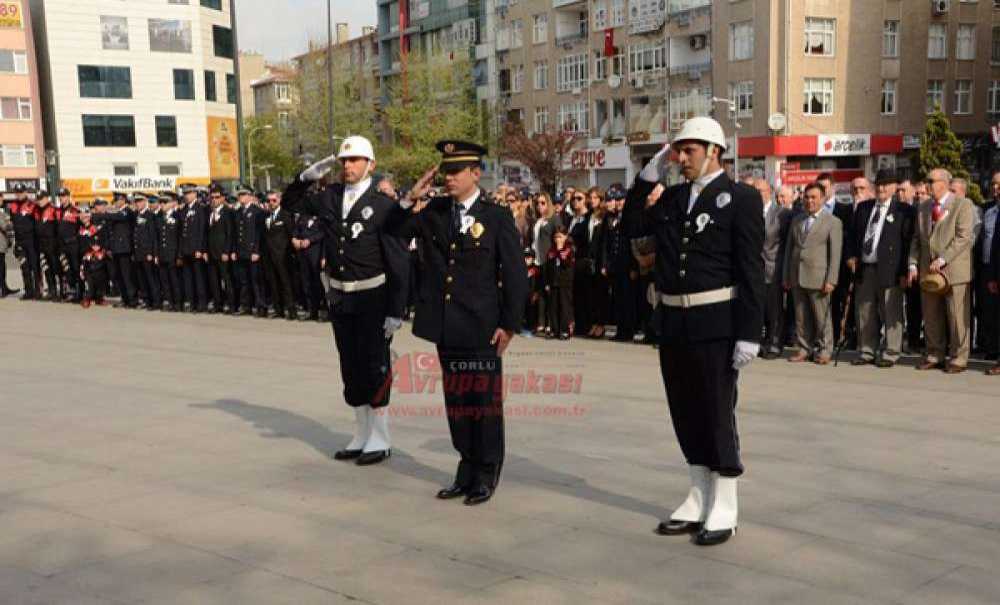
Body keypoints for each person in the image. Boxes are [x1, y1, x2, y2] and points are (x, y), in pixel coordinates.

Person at [623, 116, 764, 546]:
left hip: (716, 323)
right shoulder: (673, 197)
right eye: (678, 151)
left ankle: (725, 503)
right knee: (684, 411)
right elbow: (631, 229)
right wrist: (648, 176)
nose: (682, 159)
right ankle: (697, 494)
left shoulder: (739, 199)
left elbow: (752, 269)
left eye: (690, 151)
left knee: (716, 412)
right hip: (674, 321)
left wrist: (750, 332)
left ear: (714, 152)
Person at [386, 139, 528, 505]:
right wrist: (407, 198)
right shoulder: (434, 211)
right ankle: (465, 466)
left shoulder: (495, 217)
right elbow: (393, 231)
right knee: (457, 401)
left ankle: (486, 470)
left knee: (483, 401)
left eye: (455, 171)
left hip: (482, 326)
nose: (448, 178)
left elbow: (514, 273)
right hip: (446, 325)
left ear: (475, 173)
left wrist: (510, 324)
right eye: (445, 171)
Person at [283, 136, 410, 466]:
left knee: (375, 365)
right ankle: (361, 433)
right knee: (350, 366)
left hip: (373, 296)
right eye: (344, 161)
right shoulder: (329, 196)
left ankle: (380, 438)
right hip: (340, 295)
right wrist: (306, 176)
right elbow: (289, 203)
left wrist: (396, 310)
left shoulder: (383, 205)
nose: (348, 166)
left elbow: (398, 260)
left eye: (355, 160)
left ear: (371, 164)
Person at [908, 169, 976, 373]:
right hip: (928, 272)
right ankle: (934, 354)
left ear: (944, 183)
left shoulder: (963, 205)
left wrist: (943, 258)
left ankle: (958, 357)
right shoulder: (923, 207)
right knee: (931, 315)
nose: (927, 184)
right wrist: (912, 263)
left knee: (956, 317)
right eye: (927, 180)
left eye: (931, 180)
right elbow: (916, 239)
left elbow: (963, 237)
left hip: (954, 271)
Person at [845, 170, 913, 368]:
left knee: (891, 312)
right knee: (865, 310)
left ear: (894, 187)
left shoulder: (903, 210)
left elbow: (907, 243)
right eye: (879, 184)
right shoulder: (864, 207)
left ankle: (891, 352)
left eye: (886, 184)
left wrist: (903, 272)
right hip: (865, 267)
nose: (882, 188)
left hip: (890, 270)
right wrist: (850, 256)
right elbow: (853, 235)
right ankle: (866, 350)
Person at [784, 182, 843, 365]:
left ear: (823, 199)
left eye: (814, 197)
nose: (810, 201)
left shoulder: (832, 222)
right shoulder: (797, 220)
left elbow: (835, 254)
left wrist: (831, 279)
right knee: (801, 317)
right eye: (807, 197)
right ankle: (804, 348)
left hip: (819, 278)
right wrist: (786, 275)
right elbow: (789, 249)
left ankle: (825, 349)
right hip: (797, 275)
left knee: (821, 318)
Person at [818, 173, 856, 348]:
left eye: (825, 187)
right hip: (818, 265)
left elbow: (848, 237)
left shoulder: (845, 209)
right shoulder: (811, 209)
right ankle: (823, 339)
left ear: (832, 187)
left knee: (839, 303)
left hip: (839, 265)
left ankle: (840, 336)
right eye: (820, 187)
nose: (822, 190)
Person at [757, 179, 792, 359]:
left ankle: (775, 343)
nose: (758, 194)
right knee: (759, 309)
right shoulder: (749, 212)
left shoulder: (782, 214)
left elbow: (788, 244)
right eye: (755, 190)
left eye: (761, 191)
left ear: (769, 192)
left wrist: (786, 271)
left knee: (775, 310)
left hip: (774, 268)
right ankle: (761, 342)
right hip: (755, 270)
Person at [262, 190, 297, 320]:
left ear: (279, 200)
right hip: (269, 256)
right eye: (269, 201)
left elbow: (291, 235)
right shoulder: (266, 216)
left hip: (283, 256)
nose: (271, 203)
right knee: (274, 283)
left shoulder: (285, 216)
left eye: (274, 200)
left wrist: (290, 254)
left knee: (286, 284)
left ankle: (291, 310)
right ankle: (278, 310)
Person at [898, 179, 923, 353]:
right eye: (898, 190)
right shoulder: (897, 211)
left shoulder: (917, 212)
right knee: (910, 306)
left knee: (918, 305)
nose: (900, 193)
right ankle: (911, 340)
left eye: (904, 190)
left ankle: (919, 339)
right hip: (903, 266)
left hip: (922, 265)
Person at [232, 187, 266, 316]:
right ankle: (246, 305)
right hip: (242, 251)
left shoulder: (257, 212)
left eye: (243, 195)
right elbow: (236, 233)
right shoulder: (239, 211)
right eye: (239, 195)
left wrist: (256, 251)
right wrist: (235, 250)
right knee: (244, 281)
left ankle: (260, 306)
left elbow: (259, 233)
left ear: (250, 196)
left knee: (256, 281)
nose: (240, 197)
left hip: (253, 252)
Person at [979, 171, 1000, 372]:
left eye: (999, 184)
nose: (995, 188)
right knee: (991, 314)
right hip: (990, 269)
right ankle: (992, 349)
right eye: (993, 184)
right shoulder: (988, 211)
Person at [178, 184, 209, 312]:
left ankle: (202, 303)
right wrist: (180, 253)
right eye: (185, 194)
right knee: (188, 279)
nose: (187, 196)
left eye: (189, 193)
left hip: (195, 250)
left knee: (198, 278)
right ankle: (192, 303)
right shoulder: (183, 209)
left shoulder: (200, 209)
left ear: (195, 194)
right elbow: (181, 233)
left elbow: (202, 230)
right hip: (185, 249)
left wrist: (200, 249)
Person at [206, 185, 236, 314]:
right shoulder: (209, 212)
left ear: (223, 198)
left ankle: (232, 305)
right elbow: (206, 234)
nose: (214, 200)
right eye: (211, 197)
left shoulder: (228, 212)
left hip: (223, 252)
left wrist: (226, 251)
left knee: (227, 280)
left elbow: (230, 233)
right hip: (211, 252)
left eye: (217, 197)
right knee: (214, 281)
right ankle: (218, 304)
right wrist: (206, 251)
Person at [544, 225, 575, 339]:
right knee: (553, 306)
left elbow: (567, 264)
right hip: (553, 282)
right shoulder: (551, 250)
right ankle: (554, 329)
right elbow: (548, 268)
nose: (558, 239)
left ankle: (565, 330)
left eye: (560, 237)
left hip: (564, 282)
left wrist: (561, 249)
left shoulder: (569, 249)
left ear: (566, 237)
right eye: (556, 237)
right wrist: (547, 282)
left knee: (564, 306)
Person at [132, 193, 161, 311]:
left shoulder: (149, 215)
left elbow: (152, 235)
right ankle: (146, 300)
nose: (137, 204)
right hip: (138, 251)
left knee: (151, 278)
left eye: (140, 201)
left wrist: (151, 253)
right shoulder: (137, 215)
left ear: (145, 202)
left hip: (146, 252)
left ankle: (156, 301)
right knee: (142, 279)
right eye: (136, 202)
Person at [156, 192, 183, 312]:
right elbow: (156, 238)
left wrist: (179, 255)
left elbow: (180, 238)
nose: (162, 205)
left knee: (175, 280)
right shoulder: (158, 217)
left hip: (173, 254)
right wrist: (156, 254)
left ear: (172, 204)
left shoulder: (178, 216)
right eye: (160, 202)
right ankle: (170, 302)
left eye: (165, 202)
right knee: (165, 280)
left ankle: (178, 303)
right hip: (162, 253)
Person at [34, 191, 62, 301]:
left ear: (47, 198)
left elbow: (58, 228)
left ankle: (60, 292)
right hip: (41, 245)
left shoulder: (53, 210)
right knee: (47, 269)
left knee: (56, 269)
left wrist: (57, 244)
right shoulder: (36, 211)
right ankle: (51, 291)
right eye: (38, 199)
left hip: (52, 244)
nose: (40, 201)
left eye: (42, 198)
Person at [80, 240, 111, 308]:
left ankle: (99, 299)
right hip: (90, 274)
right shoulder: (88, 254)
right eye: (94, 245)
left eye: (97, 245)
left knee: (100, 288)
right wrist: (82, 273)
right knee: (90, 289)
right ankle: (87, 299)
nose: (95, 247)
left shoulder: (103, 253)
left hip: (100, 274)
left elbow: (108, 265)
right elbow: (83, 265)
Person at [0, 200, 17, 297]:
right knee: (1, 267)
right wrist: (11, 223)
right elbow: (5, 226)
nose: (1, 200)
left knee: (3, 266)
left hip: (2, 244)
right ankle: (3, 289)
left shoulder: (2, 213)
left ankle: (4, 287)